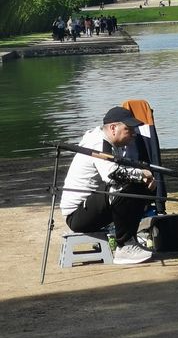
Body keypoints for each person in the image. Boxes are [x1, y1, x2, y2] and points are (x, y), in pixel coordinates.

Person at [59, 106, 157, 265]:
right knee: (127, 185)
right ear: (113, 128)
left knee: (137, 185)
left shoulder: (105, 141)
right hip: (77, 215)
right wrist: (141, 174)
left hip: (89, 207)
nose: (133, 134)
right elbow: (111, 174)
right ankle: (124, 247)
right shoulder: (99, 143)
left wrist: (141, 176)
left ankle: (129, 241)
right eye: (128, 129)